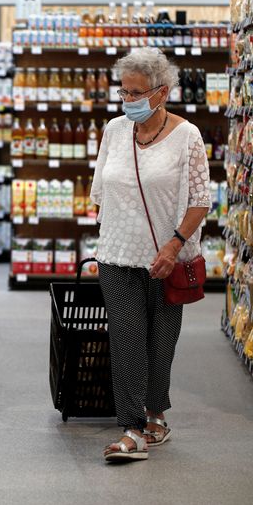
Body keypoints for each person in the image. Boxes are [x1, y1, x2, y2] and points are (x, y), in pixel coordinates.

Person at [90, 48, 211, 462]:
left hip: (166, 260)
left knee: (160, 343)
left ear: (162, 92)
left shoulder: (187, 136)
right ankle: (132, 428)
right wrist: (110, 233)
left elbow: (200, 200)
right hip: (117, 256)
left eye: (136, 93)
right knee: (125, 340)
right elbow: (100, 191)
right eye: (123, 92)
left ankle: (156, 414)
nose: (128, 101)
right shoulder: (114, 131)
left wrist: (174, 244)